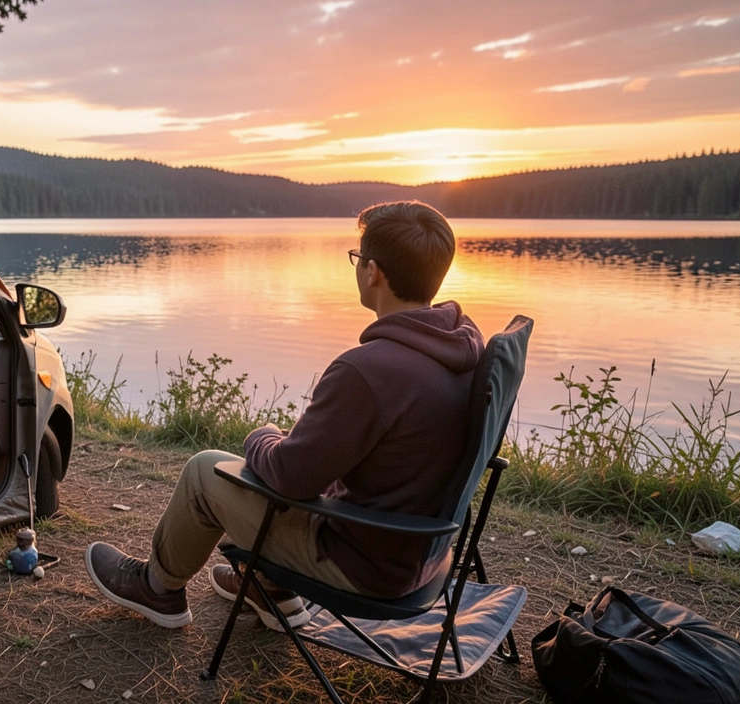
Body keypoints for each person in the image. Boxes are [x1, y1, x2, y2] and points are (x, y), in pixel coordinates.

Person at [84, 200, 485, 630]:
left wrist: (263, 435)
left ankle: (156, 589)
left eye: (358, 259)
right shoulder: (463, 350)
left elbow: (290, 477)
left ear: (373, 272)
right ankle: (271, 590)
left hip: (365, 566)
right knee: (298, 464)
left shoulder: (370, 371)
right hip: (421, 554)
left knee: (205, 471)